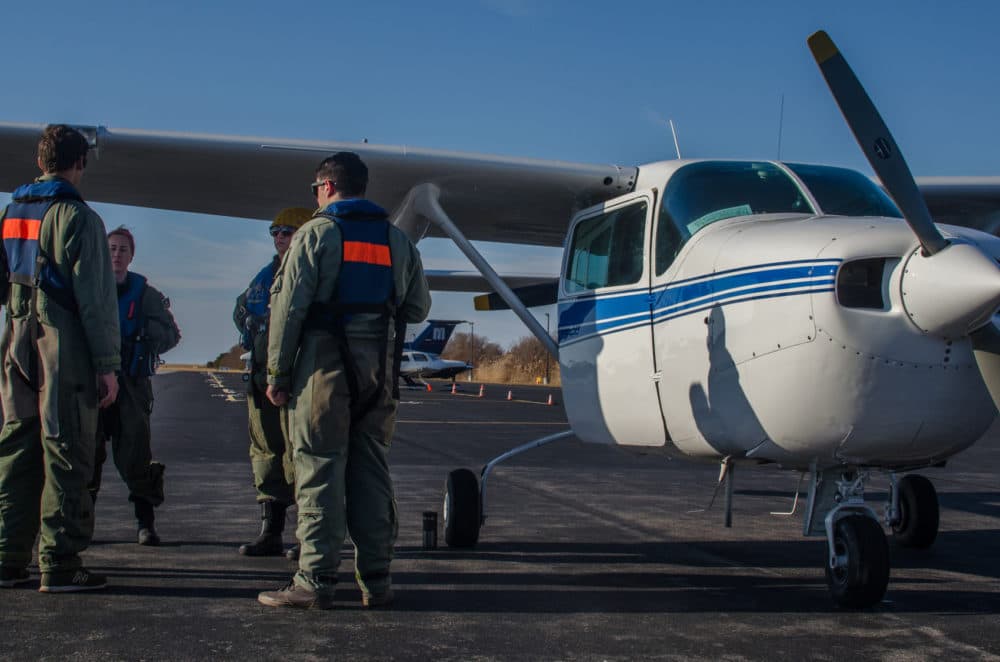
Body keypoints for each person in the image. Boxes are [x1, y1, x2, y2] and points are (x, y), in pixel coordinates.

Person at [258, 152, 430, 610]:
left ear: (327, 187)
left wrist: (276, 373)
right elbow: (417, 309)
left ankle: (313, 582)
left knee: (318, 470)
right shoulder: (397, 240)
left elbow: (289, 310)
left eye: (315, 190)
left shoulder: (316, 234)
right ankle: (377, 579)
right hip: (378, 376)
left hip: (323, 374)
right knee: (372, 473)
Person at [0, 124, 120, 592]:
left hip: (16, 338)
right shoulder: (79, 218)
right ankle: (60, 561)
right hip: (60, 343)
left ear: (39, 161)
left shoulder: (12, 213)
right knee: (66, 448)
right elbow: (95, 299)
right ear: (80, 164)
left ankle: (8, 558)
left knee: (15, 446)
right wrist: (107, 365)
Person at [88, 226, 180, 545]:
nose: (116, 254)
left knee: (136, 455)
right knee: (87, 456)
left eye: (123, 250)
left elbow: (171, 335)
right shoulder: (87, 286)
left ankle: (145, 523)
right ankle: (79, 526)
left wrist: (145, 335)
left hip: (131, 385)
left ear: (132, 255)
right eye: (111, 248)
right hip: (91, 383)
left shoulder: (146, 295)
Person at [233, 207, 312, 557]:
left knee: (300, 453)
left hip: (295, 377)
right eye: (275, 231)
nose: (280, 237)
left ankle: (306, 536)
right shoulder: (266, 275)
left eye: (288, 231)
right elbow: (241, 309)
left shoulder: (310, 271)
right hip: (262, 374)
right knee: (265, 450)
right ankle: (271, 530)